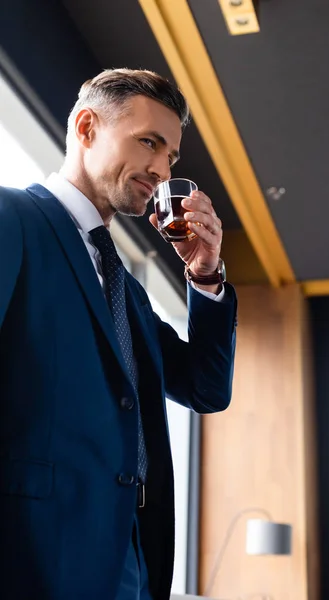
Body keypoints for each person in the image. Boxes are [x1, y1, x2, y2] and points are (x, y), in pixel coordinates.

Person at [0, 68, 237, 600]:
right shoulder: (10, 216)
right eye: (148, 142)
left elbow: (205, 388)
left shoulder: (125, 287)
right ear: (86, 127)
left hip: (129, 560)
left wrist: (204, 274)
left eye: (171, 157)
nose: (160, 168)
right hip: (30, 555)